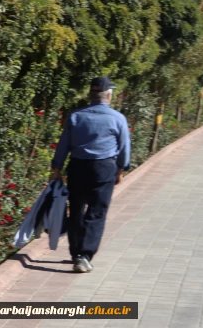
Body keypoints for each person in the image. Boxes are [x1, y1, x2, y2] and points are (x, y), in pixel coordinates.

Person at [50, 77, 130, 274]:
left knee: (76, 209)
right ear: (108, 95)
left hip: (77, 167)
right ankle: (85, 256)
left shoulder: (75, 116)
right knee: (97, 212)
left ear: (91, 95)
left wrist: (56, 169)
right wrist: (121, 169)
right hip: (104, 168)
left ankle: (76, 253)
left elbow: (63, 145)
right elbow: (124, 148)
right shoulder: (117, 118)